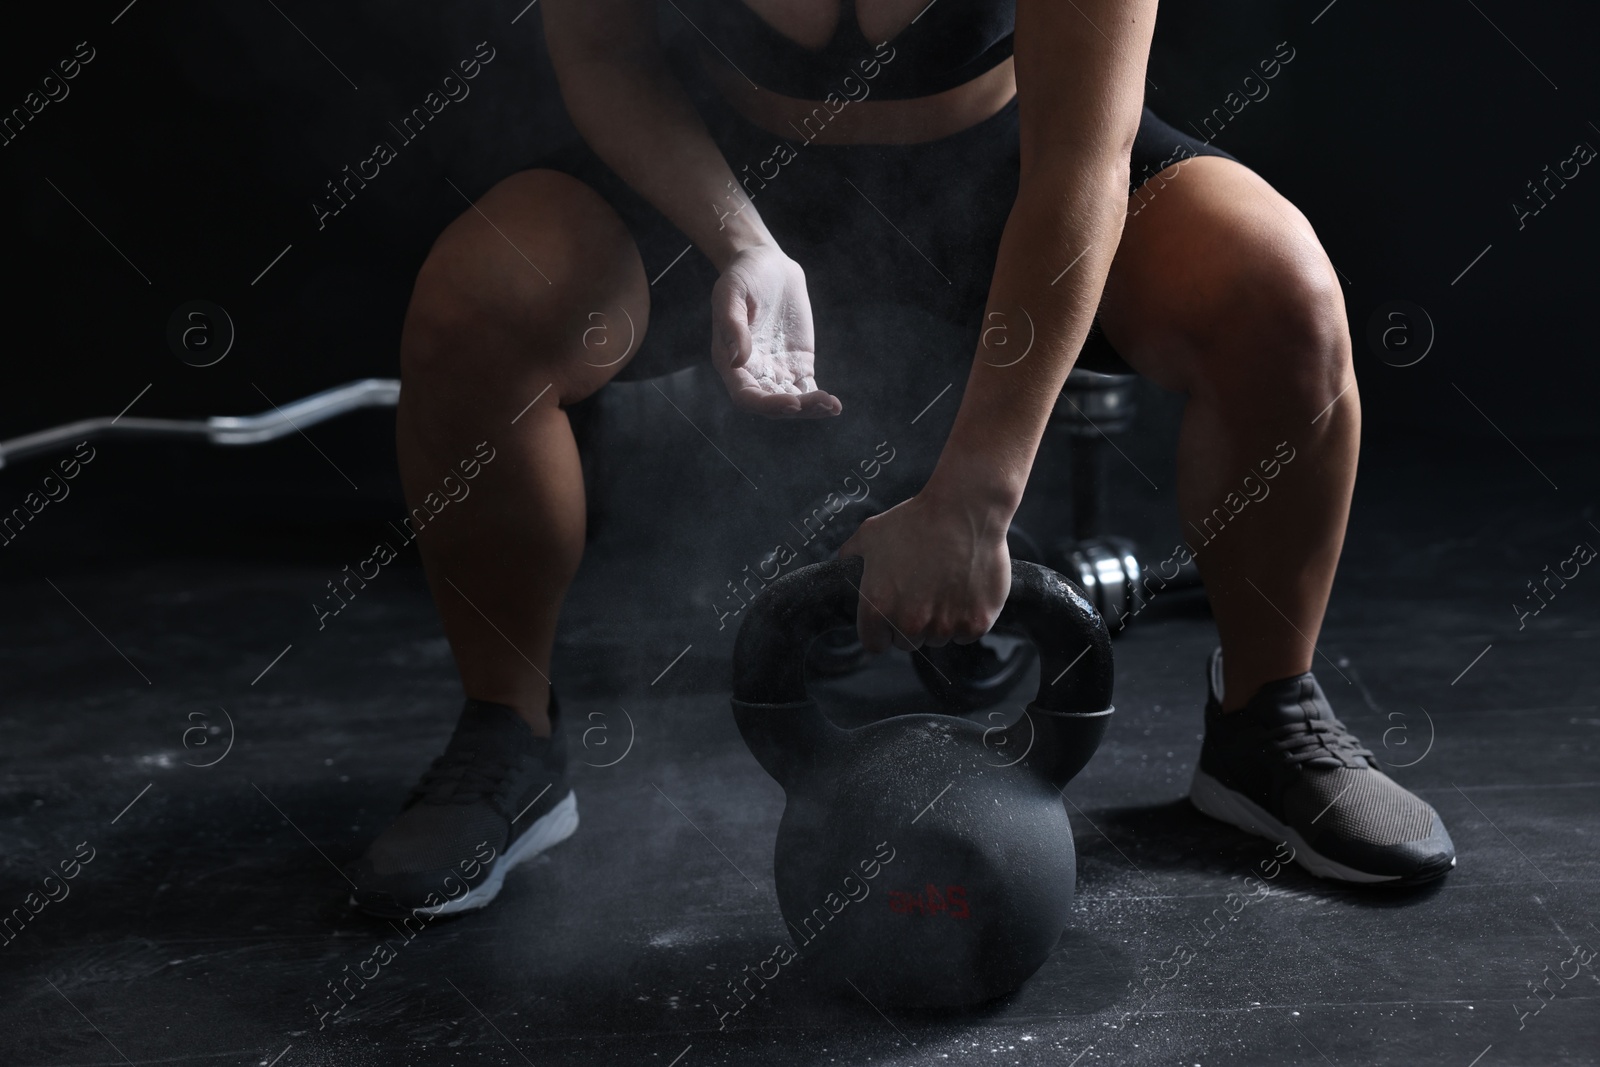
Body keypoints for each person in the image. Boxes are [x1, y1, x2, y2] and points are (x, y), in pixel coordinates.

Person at [341, 0, 1454, 917]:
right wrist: (741, 241)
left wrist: (973, 499)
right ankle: (507, 737)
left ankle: (1266, 725)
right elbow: (602, 53)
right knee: (475, 309)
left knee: (1281, 297)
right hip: (721, 176)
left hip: (1013, 179)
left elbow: (1079, 162)